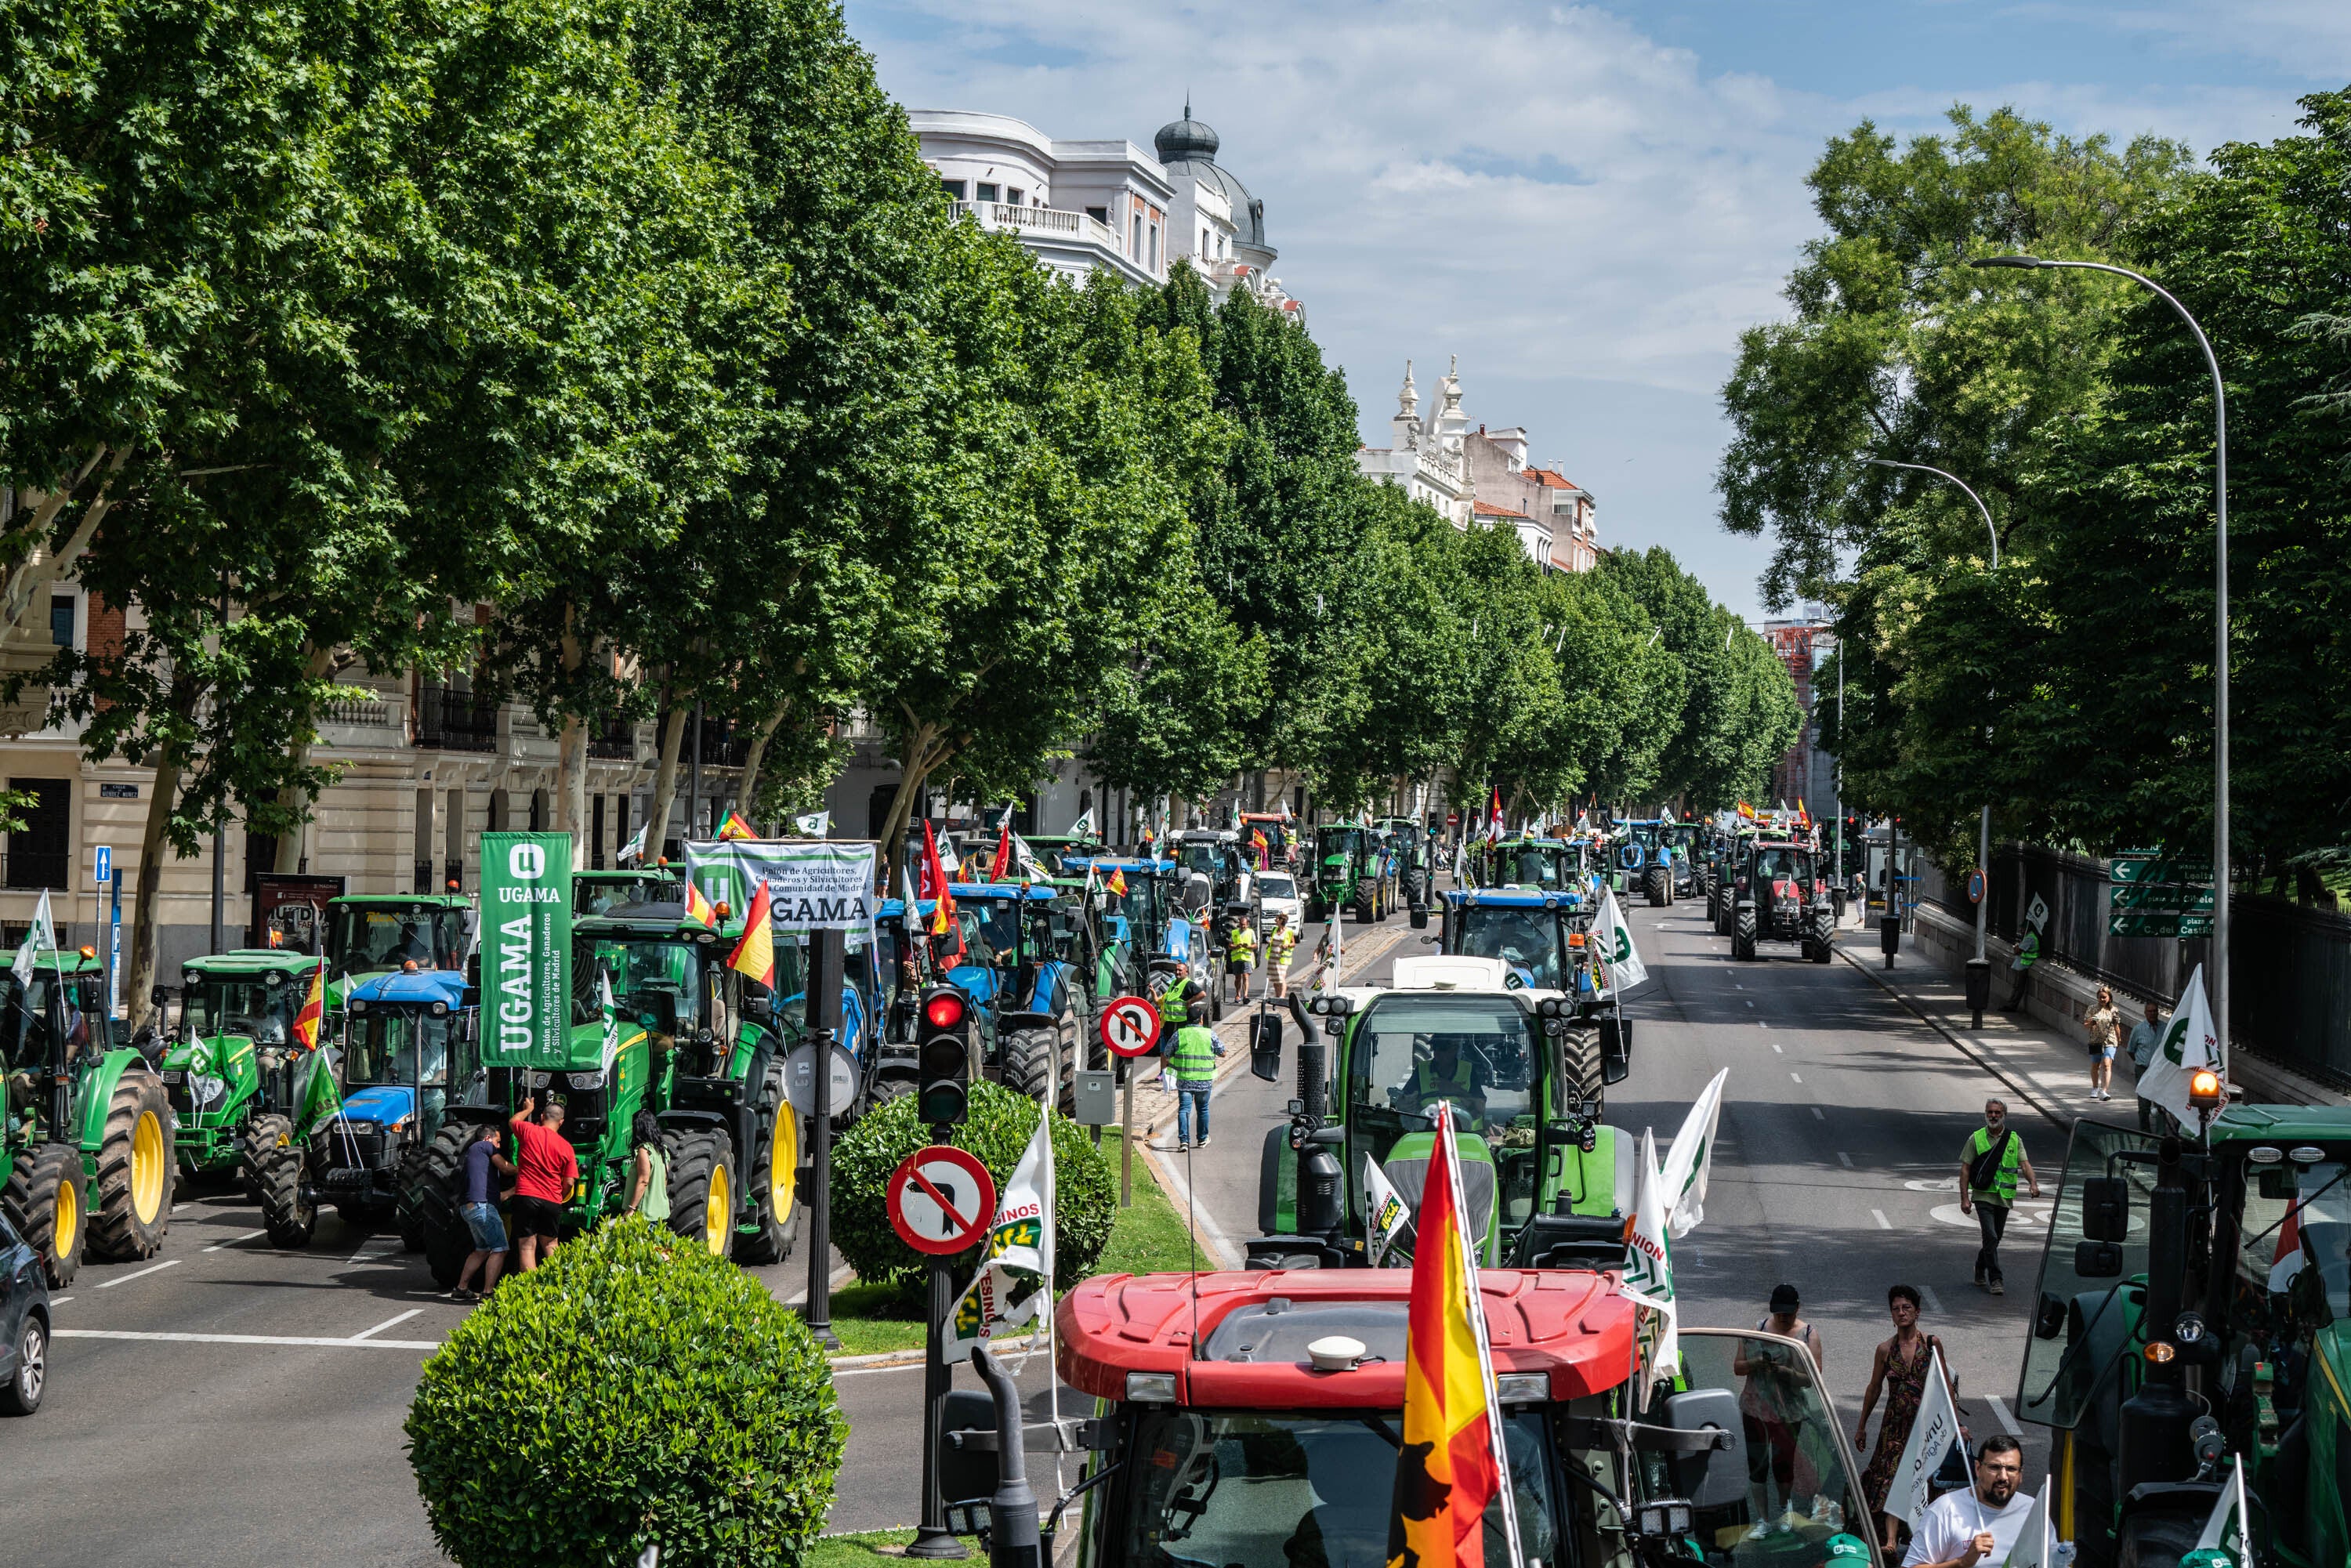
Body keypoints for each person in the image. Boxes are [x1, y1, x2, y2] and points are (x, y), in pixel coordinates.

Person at [1857, 1284, 1962, 1554]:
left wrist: (1956, 1425)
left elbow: (1945, 1386)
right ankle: (1890, 1541)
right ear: (1891, 1314)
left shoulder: (1932, 1344)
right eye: (1896, 1309)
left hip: (1926, 1425)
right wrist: (1861, 1426)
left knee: (1923, 1480)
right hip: (1894, 1428)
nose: (1901, 1313)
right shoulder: (1884, 1350)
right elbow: (1874, 1388)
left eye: (1906, 1308)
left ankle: (1924, 1540)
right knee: (1892, 1478)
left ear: (1917, 1312)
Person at [1735, 1284, 1827, 1525]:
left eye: (1788, 1312)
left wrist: (1785, 1372)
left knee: (1783, 1464)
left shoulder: (1807, 1334)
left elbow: (1812, 1378)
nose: (1783, 1317)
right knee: (1757, 1464)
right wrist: (1756, 1363)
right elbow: (1738, 1367)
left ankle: (1785, 1510)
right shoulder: (1757, 1330)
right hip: (1755, 1409)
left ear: (1798, 1308)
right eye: (1779, 1313)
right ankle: (1763, 1521)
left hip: (1789, 1412)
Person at [1902, 1438, 2035, 1568]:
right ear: (1978, 1469)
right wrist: (1962, 1563)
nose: (2003, 1477)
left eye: (2011, 1469)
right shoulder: (1945, 1509)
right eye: (1994, 1467)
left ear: (2020, 1474)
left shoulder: (2033, 1511)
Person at [1959, 1100, 2040, 1294]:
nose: (1993, 1116)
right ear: (1985, 1114)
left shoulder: (2014, 1139)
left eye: (1997, 1112)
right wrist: (1964, 1198)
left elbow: (2025, 1164)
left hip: (2004, 1197)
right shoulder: (1976, 1138)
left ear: (2004, 1114)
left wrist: (2033, 1183)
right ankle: (1996, 1279)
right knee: (1991, 1235)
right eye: (1990, 1112)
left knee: (1995, 1239)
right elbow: (1965, 1169)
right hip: (1983, 1196)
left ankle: (1980, 1265)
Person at [509, 1092, 578, 1272]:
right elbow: (569, 1182)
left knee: (527, 1246)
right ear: (561, 1122)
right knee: (551, 1244)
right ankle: (557, 1286)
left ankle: (530, 1292)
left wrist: (527, 1110)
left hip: (526, 1196)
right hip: (552, 1200)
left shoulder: (529, 1131)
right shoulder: (567, 1147)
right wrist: (559, 1196)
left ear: (541, 1117)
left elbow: (513, 1121)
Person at [451, 1122, 516, 1303]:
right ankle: (488, 1293)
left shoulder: (474, 1162)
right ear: (488, 1138)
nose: (499, 1146)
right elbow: (505, 1167)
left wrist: (514, 1191)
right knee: (500, 1249)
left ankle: (461, 1289)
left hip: (469, 1209)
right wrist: (526, 1170)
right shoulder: (484, 1145)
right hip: (483, 1208)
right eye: (498, 1141)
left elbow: (499, 1197)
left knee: (482, 1249)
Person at [1159, 1000, 1221, 1152]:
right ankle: (1202, 1139)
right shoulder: (1209, 1034)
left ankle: (1184, 1142)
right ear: (1201, 1020)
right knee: (1203, 1109)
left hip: (1185, 1079)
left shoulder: (1179, 1034)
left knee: (1184, 1109)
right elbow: (1223, 1052)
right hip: (1204, 1080)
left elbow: (1167, 1054)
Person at [1399, 1035, 1487, 1128]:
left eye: (1443, 1049)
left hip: (1465, 1131)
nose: (1438, 1053)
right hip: (1427, 1128)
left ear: (1455, 1050)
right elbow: (1401, 1102)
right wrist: (1407, 1103)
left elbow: (1481, 1106)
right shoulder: (1422, 1069)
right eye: (1435, 1048)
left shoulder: (1468, 1069)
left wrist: (1457, 1091)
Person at [626, 1111, 670, 1224]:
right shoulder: (662, 1150)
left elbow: (643, 1180)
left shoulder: (644, 1150)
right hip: (661, 1212)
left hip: (646, 1214)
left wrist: (631, 1209)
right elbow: (665, 1179)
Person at [2084, 986, 2123, 1100]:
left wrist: (2119, 1038)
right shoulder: (2092, 1009)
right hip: (2095, 1041)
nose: (2102, 1000)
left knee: (2107, 1064)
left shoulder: (2114, 1010)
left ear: (2109, 998)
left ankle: (2104, 1090)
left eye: (2104, 997)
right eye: (2100, 997)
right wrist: (2091, 1023)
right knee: (2096, 1065)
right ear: (2097, 998)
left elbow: (2116, 1026)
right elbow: (2085, 1025)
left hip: (2110, 1041)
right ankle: (2095, 1088)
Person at [2001, 926, 2038, 1012]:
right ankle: (2010, 1004)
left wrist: (2017, 947)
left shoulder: (2030, 938)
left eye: (2022, 928)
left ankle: (2012, 1006)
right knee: (2016, 986)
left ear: (2027, 929)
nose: (2020, 930)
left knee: (2018, 987)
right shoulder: (2027, 937)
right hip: (2021, 964)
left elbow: (2017, 951)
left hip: (2024, 965)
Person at [1266, 913, 1298, 1000]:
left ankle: (1282, 996)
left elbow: (1293, 943)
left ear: (1281, 920)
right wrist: (1269, 943)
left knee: (1281, 977)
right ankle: (1277, 996)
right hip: (1273, 957)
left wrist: (1287, 945)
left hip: (1283, 958)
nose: (1275, 920)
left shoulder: (1289, 931)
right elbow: (1271, 939)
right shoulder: (1274, 930)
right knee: (1275, 978)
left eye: (1277, 919)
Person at [1226, 914, 1256, 1005]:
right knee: (1238, 978)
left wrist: (1249, 946)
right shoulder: (1235, 933)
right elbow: (1229, 946)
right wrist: (1236, 946)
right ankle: (1238, 994)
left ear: (1247, 924)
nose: (1243, 926)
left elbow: (1255, 945)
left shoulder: (1251, 932)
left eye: (1244, 924)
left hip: (1246, 958)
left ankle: (1245, 996)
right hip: (1236, 959)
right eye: (1242, 924)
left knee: (1245, 976)